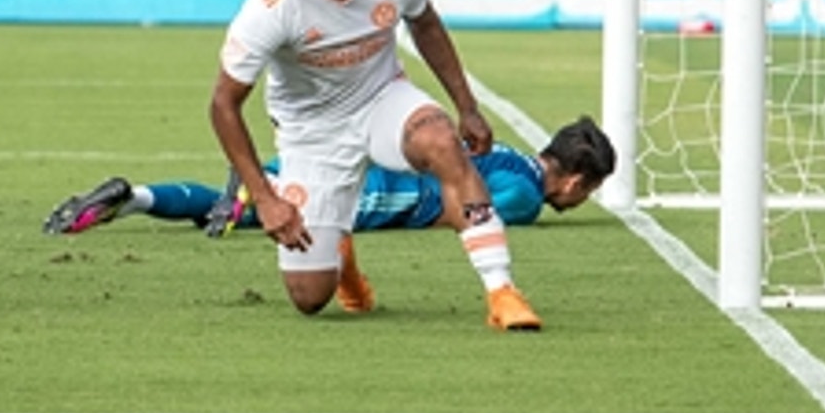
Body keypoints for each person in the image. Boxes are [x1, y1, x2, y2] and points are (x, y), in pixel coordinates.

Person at [208, 0, 537, 329]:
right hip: (311, 134)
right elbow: (223, 104)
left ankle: (502, 292)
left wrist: (466, 107)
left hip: (383, 100)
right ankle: (342, 257)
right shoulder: (272, 6)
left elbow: (425, 24)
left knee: (442, 141)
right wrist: (264, 197)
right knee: (309, 297)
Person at [42, 115, 615, 239]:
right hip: (388, 192)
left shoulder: (511, 154)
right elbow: (455, 208)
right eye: (590, 190)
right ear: (573, 182)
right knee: (268, 212)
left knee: (236, 202)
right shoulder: (522, 196)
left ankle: (137, 196)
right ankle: (237, 195)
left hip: (371, 161)